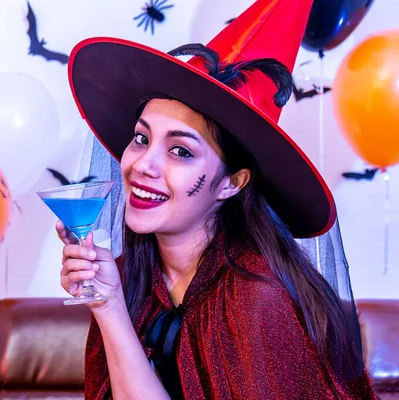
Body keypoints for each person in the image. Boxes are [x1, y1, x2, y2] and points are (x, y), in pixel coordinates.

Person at [56, 0, 378, 398]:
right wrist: (107, 305)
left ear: (232, 183)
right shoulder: (130, 277)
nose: (142, 165)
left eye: (181, 151)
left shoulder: (258, 297)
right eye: (141, 138)